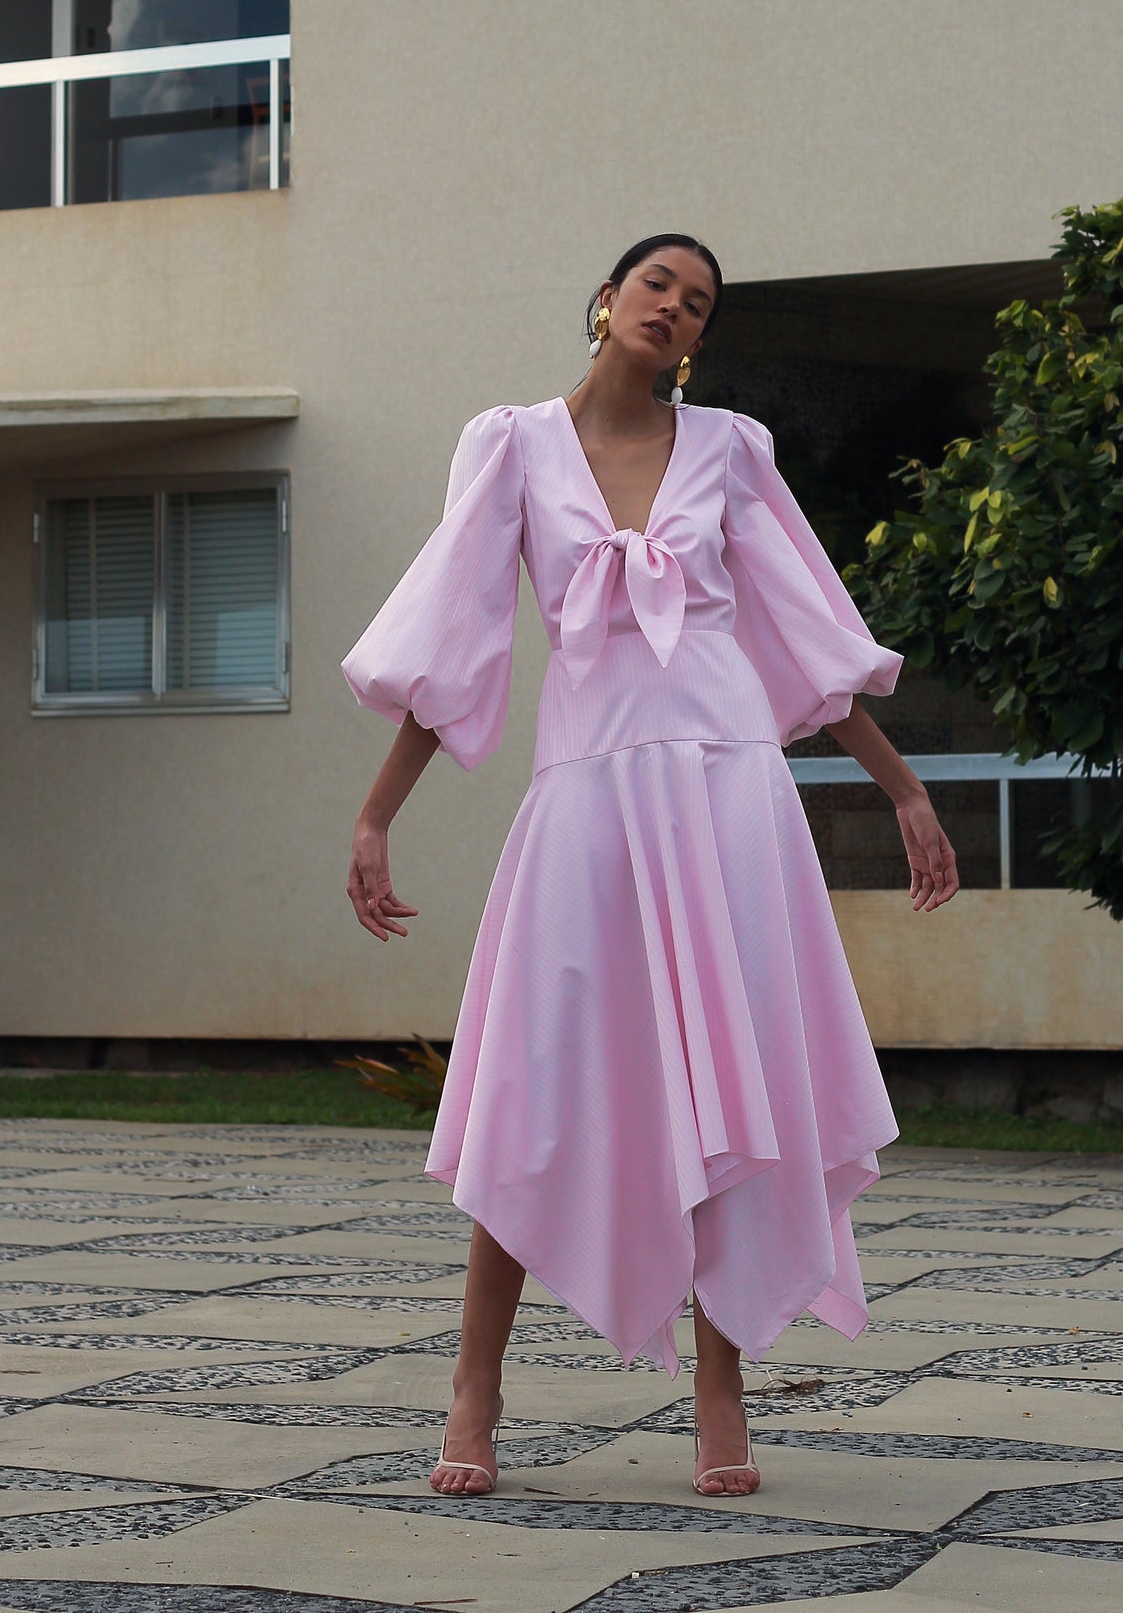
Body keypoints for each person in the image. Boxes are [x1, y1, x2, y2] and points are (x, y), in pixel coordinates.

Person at [342, 233, 959, 1501]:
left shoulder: (734, 449)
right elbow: (452, 634)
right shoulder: (510, 444)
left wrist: (903, 787)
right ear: (608, 300)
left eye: (699, 302)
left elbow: (808, 632)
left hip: (732, 789)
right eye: (657, 284)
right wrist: (374, 816)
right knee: (533, 1091)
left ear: (699, 338)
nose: (675, 306)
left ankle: (722, 1389)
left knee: (730, 1087)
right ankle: (475, 1385)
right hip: (589, 794)